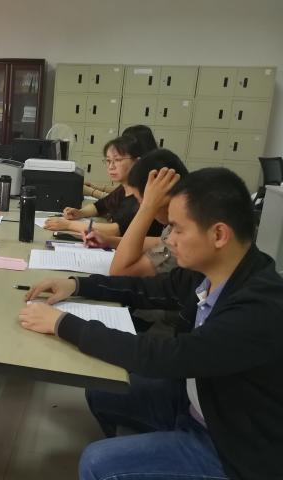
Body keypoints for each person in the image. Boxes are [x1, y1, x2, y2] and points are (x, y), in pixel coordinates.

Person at [19, 168, 283, 480]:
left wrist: (63, 324)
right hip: (198, 404)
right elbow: (147, 289)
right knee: (102, 392)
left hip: (232, 448)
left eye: (178, 229)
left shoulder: (260, 307)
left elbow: (166, 356)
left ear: (219, 235)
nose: (169, 240)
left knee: (97, 463)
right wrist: (77, 285)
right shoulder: (210, 271)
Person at [84, 149, 189, 276]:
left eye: (141, 202)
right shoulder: (178, 225)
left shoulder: (183, 239)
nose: (139, 206)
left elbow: (119, 272)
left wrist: (148, 207)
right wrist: (109, 241)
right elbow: (159, 242)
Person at [45, 135, 163, 236]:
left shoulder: (143, 192)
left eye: (117, 160)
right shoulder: (124, 188)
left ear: (137, 162)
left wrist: (69, 225)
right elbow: (101, 206)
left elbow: (116, 230)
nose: (111, 166)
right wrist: (80, 213)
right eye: (108, 161)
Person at [82, 125, 158, 200]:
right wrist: (98, 188)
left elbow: (125, 201)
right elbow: (122, 191)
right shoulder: (148, 164)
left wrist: (93, 192)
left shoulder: (150, 174)